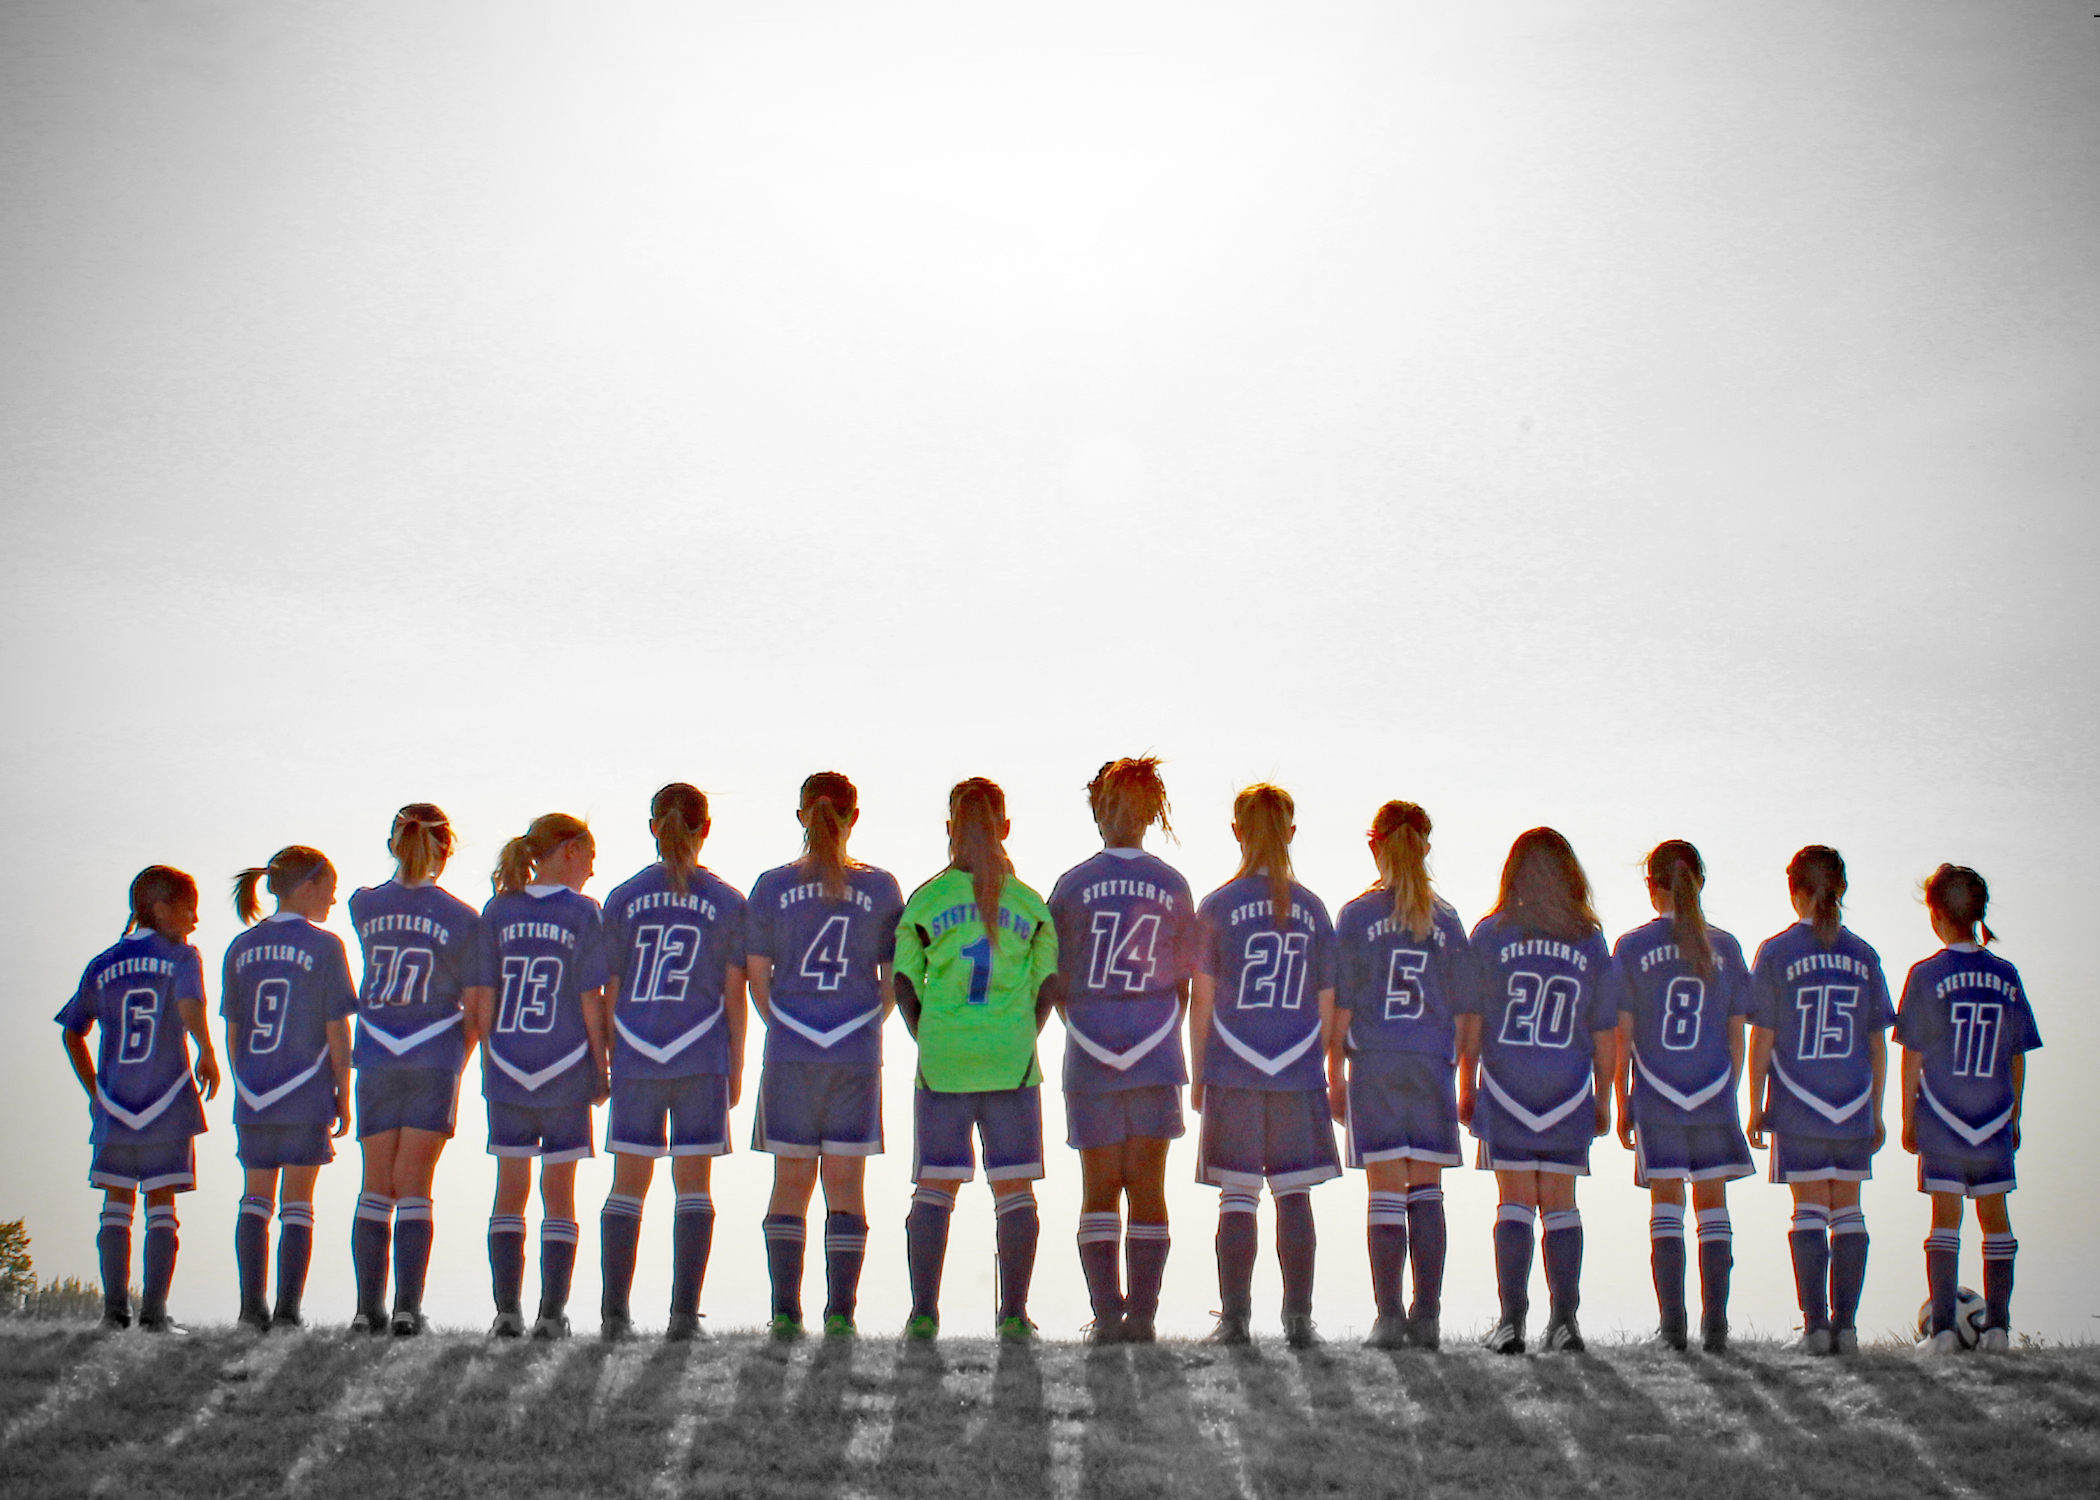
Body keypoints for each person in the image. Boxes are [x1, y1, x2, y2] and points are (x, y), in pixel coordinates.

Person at [892, 778, 1059, 1343]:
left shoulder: (926, 901)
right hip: (1012, 1063)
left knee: (935, 1188)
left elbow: (903, 981)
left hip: (943, 1062)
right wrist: (1020, 1036)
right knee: (1014, 1190)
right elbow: (1048, 985)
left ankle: (923, 1314)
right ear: (1005, 828)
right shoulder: (1030, 904)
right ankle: (1014, 1316)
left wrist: (928, 1036)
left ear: (950, 829)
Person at [747, 772, 902, 1339]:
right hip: (854, 1052)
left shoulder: (771, 886)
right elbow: (894, 980)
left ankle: (785, 1314)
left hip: (791, 1051)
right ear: (853, 816)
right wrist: (862, 1026)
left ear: (801, 815)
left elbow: (758, 982)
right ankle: (841, 1315)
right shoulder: (881, 887)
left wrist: (789, 1028)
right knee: (845, 1184)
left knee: (790, 1182)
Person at [1046, 757, 1195, 1344]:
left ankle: (1108, 1317)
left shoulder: (1072, 884)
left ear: (1098, 811)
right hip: (1156, 1051)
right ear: (1152, 813)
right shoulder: (1172, 883)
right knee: (1149, 1187)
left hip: (1091, 1052)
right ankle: (1143, 1318)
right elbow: (1184, 984)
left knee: (1100, 1187)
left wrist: (1086, 1030)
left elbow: (1054, 981)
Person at [1189, 783, 1342, 1350]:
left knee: (1237, 1194)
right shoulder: (1313, 909)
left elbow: (1202, 1000)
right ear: (1291, 833)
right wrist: (1312, 1061)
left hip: (1234, 1066)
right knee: (1294, 1194)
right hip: (1296, 1067)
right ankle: (1298, 1321)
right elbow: (1327, 1003)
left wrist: (1200, 1072)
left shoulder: (1217, 905)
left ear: (1237, 831)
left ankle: (1235, 1321)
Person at [596, 784, 748, 1342]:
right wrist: (737, 1064)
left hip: (637, 1052)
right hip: (701, 1055)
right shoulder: (728, 901)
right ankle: (684, 1317)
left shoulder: (622, 897)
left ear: (653, 827)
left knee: (627, 1185)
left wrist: (610, 1053)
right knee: (694, 1187)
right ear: (706, 828)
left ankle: (615, 1316)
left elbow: (610, 989)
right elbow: (734, 994)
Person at [1461, 828, 1621, 1354]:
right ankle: (1564, 1322)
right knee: (1561, 1205)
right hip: (1567, 1088)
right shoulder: (1588, 939)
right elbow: (1604, 1029)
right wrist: (1604, 1097)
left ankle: (1511, 1323)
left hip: (1506, 1083)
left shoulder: (1491, 935)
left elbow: (1473, 1018)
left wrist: (1466, 1082)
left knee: (1513, 1202)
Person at [1332, 800, 1477, 1351]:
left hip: (1376, 1061)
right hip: (1431, 1062)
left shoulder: (1357, 915)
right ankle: (1428, 1316)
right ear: (1425, 847)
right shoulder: (1448, 919)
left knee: (1386, 1191)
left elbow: (1343, 1002)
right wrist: (1459, 1070)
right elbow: (1465, 1009)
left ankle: (1389, 1318)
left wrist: (1333, 1069)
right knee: (1428, 1190)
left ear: (1375, 845)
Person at [56, 866, 222, 1332]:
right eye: (189, 909)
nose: (195, 920)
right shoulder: (183, 955)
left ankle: (114, 1313)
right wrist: (206, 1050)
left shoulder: (103, 963)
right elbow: (190, 1004)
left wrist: (94, 1091)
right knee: (161, 1207)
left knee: (116, 1205)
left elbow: (72, 1032)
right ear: (162, 909)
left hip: (115, 1104)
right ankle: (154, 1315)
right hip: (167, 1099)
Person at [1746, 845, 1894, 1356]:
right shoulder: (1863, 954)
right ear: (1842, 889)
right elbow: (1876, 1044)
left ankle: (1814, 1328)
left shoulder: (1777, 951)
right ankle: (1846, 1330)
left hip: (1798, 1101)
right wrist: (1876, 1110)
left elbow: (1763, 1038)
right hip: (1851, 1101)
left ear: (1794, 891)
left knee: (1808, 1209)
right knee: (1848, 1210)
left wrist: (1755, 1104)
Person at [471, 813, 613, 1339]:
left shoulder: (499, 909)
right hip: (564, 1063)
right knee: (559, 1192)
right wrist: (600, 1065)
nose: (592, 870)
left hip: (509, 1063)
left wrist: (491, 1057)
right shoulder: (582, 911)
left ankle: (506, 1312)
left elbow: (484, 997)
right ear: (570, 850)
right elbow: (590, 997)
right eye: (590, 857)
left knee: (509, 1189)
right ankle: (551, 1316)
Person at [346, 804, 485, 1335]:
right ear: (446, 850)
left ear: (393, 843)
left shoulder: (363, 904)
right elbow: (474, 1008)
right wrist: (455, 1062)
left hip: (377, 1052)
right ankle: (406, 1308)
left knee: (375, 1183)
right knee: (415, 1184)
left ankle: (367, 1311)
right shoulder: (462, 917)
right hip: (433, 1052)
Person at [1611, 840, 1756, 1353]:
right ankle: (1716, 1327)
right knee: (1713, 1209)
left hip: (1657, 1091)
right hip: (1712, 1091)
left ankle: (1672, 1328)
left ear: (1651, 887)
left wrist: (1622, 1098)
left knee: (1667, 1207)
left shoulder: (1632, 947)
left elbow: (1623, 1034)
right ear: (1700, 882)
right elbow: (1737, 1036)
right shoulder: (1727, 947)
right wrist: (1728, 1091)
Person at [1897, 864, 2040, 1353]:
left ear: (1936, 914)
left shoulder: (1925, 974)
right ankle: (1997, 1330)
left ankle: (1941, 1332)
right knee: (1996, 1218)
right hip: (1994, 1114)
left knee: (1945, 1219)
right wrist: (2015, 1115)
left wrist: (1907, 1116)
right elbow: (2017, 1054)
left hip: (1942, 1115)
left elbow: (1913, 1055)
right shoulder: (2006, 974)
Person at [221, 846, 356, 1331]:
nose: (334, 900)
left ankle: (249, 1310)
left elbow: (234, 1029)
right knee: (298, 1203)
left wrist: (244, 1081)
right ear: (307, 887)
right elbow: (337, 1029)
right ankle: (287, 1312)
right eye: (329, 889)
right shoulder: (325, 946)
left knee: (255, 1198)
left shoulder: (241, 947)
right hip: (305, 1090)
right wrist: (344, 1092)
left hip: (254, 1092)